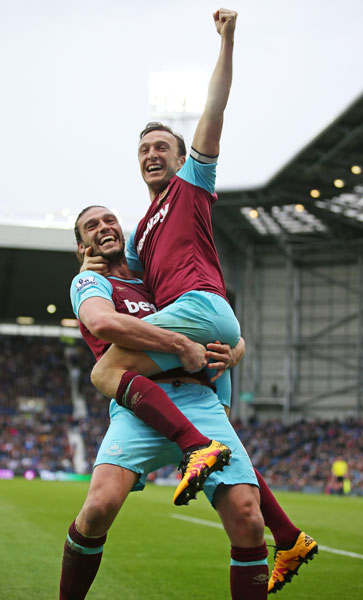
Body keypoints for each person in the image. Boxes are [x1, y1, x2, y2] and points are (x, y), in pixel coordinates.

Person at [81, 8, 318, 594]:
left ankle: (195, 448)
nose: (153, 154)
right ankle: (287, 538)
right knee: (243, 508)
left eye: (163, 146)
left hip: (198, 312)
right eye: (145, 150)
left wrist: (227, 40)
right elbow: (117, 276)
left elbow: (215, 109)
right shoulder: (141, 233)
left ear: (183, 156)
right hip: (202, 344)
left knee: (107, 366)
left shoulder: (192, 184)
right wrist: (91, 257)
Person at [60, 205, 269, 600]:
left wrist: (237, 350)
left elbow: (212, 320)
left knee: (248, 519)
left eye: (109, 221)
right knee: (98, 508)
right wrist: (179, 344)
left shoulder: (156, 284)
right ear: (81, 246)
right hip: (139, 405)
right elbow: (103, 323)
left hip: (198, 398)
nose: (104, 227)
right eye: (92, 226)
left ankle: (287, 537)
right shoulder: (90, 283)